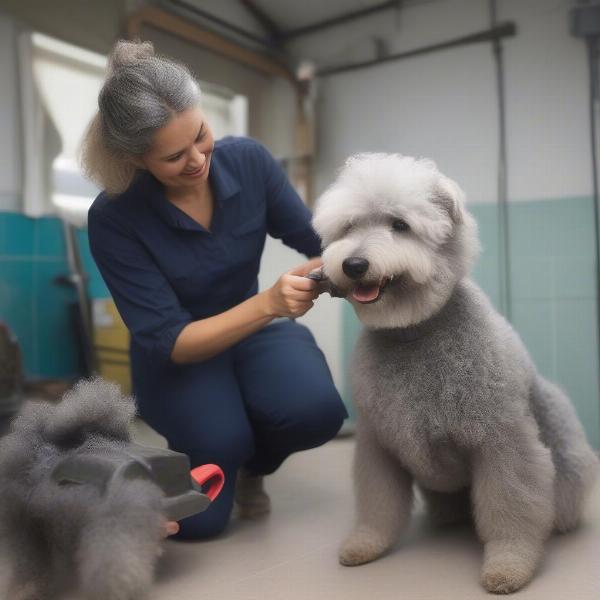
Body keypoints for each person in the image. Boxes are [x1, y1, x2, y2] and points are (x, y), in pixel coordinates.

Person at [81, 40, 347, 540]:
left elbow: (318, 238)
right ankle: (220, 446)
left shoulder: (249, 162)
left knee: (318, 412)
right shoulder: (114, 218)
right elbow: (172, 340)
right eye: (173, 156)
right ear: (134, 159)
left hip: (256, 334)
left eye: (201, 135)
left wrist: (356, 259)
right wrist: (270, 302)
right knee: (202, 524)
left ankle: (251, 465)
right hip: (179, 359)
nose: (197, 159)